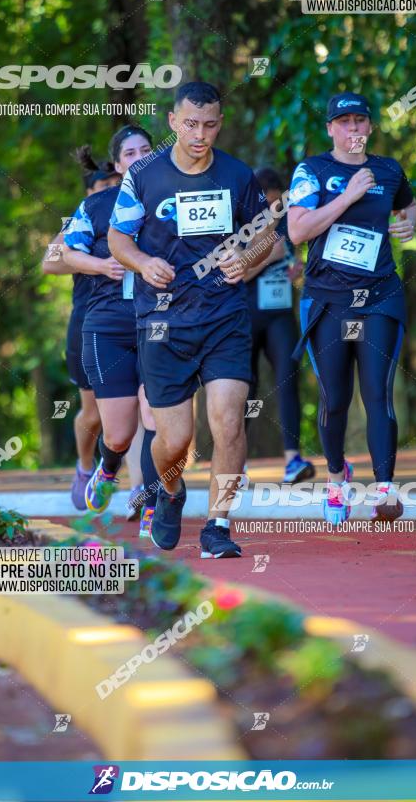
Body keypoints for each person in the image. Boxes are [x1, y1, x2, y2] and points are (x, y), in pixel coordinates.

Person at [109, 81, 279, 558]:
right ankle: (170, 489)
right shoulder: (143, 175)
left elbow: (267, 234)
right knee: (175, 440)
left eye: (208, 125)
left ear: (219, 124)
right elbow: (119, 238)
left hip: (224, 314)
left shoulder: (237, 174)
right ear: (172, 122)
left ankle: (218, 525)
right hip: (163, 320)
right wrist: (142, 263)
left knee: (228, 423)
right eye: (190, 124)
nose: (199, 135)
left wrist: (247, 259)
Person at [288, 92, 416, 524]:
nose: (353, 130)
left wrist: (409, 220)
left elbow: (408, 201)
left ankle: (385, 490)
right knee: (335, 397)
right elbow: (297, 230)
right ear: (330, 129)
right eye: (343, 122)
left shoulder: (388, 169)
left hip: (380, 294)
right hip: (327, 300)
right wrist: (348, 195)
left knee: (378, 393)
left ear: (371, 126)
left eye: (360, 121)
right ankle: (336, 478)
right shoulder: (312, 171)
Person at [63, 126, 158, 534]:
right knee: (118, 433)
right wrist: (102, 265)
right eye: (129, 153)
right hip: (108, 324)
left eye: (145, 150)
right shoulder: (98, 206)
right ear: (118, 165)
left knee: (157, 415)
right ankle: (107, 467)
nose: (138, 157)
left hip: (159, 321)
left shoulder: (174, 201)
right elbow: (67, 252)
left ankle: (154, 501)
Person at [42, 151, 121, 511]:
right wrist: (96, 265)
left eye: (113, 185)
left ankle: (137, 488)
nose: (109, 191)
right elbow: (49, 263)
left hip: (130, 319)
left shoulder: (133, 211)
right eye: (102, 187)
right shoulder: (82, 217)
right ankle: (85, 467)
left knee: (136, 405)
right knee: (93, 413)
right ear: (89, 193)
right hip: (88, 320)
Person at [244, 166, 315, 485]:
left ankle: (292, 461)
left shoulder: (289, 224)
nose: (272, 211)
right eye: (266, 206)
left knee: (289, 378)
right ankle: (235, 466)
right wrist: (266, 256)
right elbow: (238, 273)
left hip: (280, 313)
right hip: (245, 315)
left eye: (277, 205)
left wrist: (295, 268)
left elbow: (291, 260)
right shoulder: (240, 226)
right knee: (243, 388)